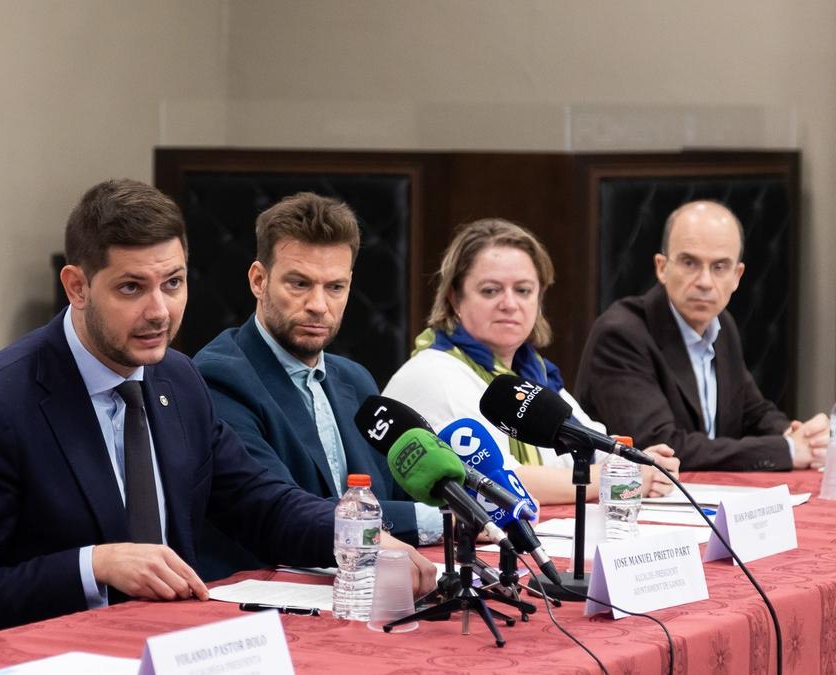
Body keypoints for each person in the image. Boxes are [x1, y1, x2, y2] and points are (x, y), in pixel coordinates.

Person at [0, 179, 436, 629]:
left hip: (180, 646)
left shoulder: (178, 379)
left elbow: (263, 503)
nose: (159, 311)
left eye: (173, 283)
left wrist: (362, 538)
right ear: (77, 287)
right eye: (131, 288)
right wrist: (91, 565)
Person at [193, 192, 443, 578]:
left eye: (335, 287)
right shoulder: (219, 377)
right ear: (258, 280)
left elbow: (393, 494)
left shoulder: (354, 379)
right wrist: (437, 519)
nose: (318, 304)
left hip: (362, 588)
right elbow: (289, 510)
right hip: (265, 600)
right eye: (299, 284)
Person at [382, 218, 679, 504]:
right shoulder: (434, 373)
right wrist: (616, 478)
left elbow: (592, 446)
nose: (509, 304)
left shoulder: (531, 371)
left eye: (523, 290)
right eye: (490, 290)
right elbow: (497, 481)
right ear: (454, 299)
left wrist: (641, 462)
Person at [576, 200, 829, 471]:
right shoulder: (621, 334)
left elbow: (754, 412)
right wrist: (788, 450)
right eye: (689, 263)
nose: (705, 282)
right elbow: (662, 446)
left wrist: (797, 436)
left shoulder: (721, 325)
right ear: (662, 267)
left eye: (719, 267)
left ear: (737, 276)